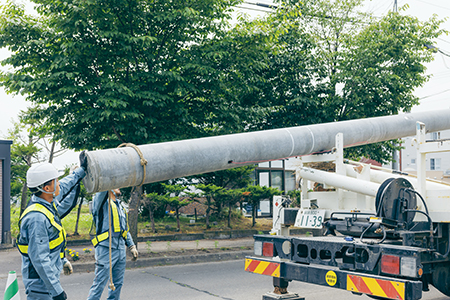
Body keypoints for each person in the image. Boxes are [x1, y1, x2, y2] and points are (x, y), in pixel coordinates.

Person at [17, 152, 88, 300]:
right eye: (56, 180)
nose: (59, 183)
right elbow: (40, 260)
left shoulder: (47, 204)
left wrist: (81, 171)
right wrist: (57, 292)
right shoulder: (37, 218)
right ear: (46, 188)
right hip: (41, 288)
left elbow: (67, 183)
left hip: (45, 285)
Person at [87, 188, 138, 300]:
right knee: (99, 284)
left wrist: (132, 246)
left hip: (120, 249)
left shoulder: (120, 205)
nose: (119, 186)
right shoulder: (100, 202)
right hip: (106, 249)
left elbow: (124, 229)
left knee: (117, 284)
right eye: (115, 184)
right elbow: (102, 189)